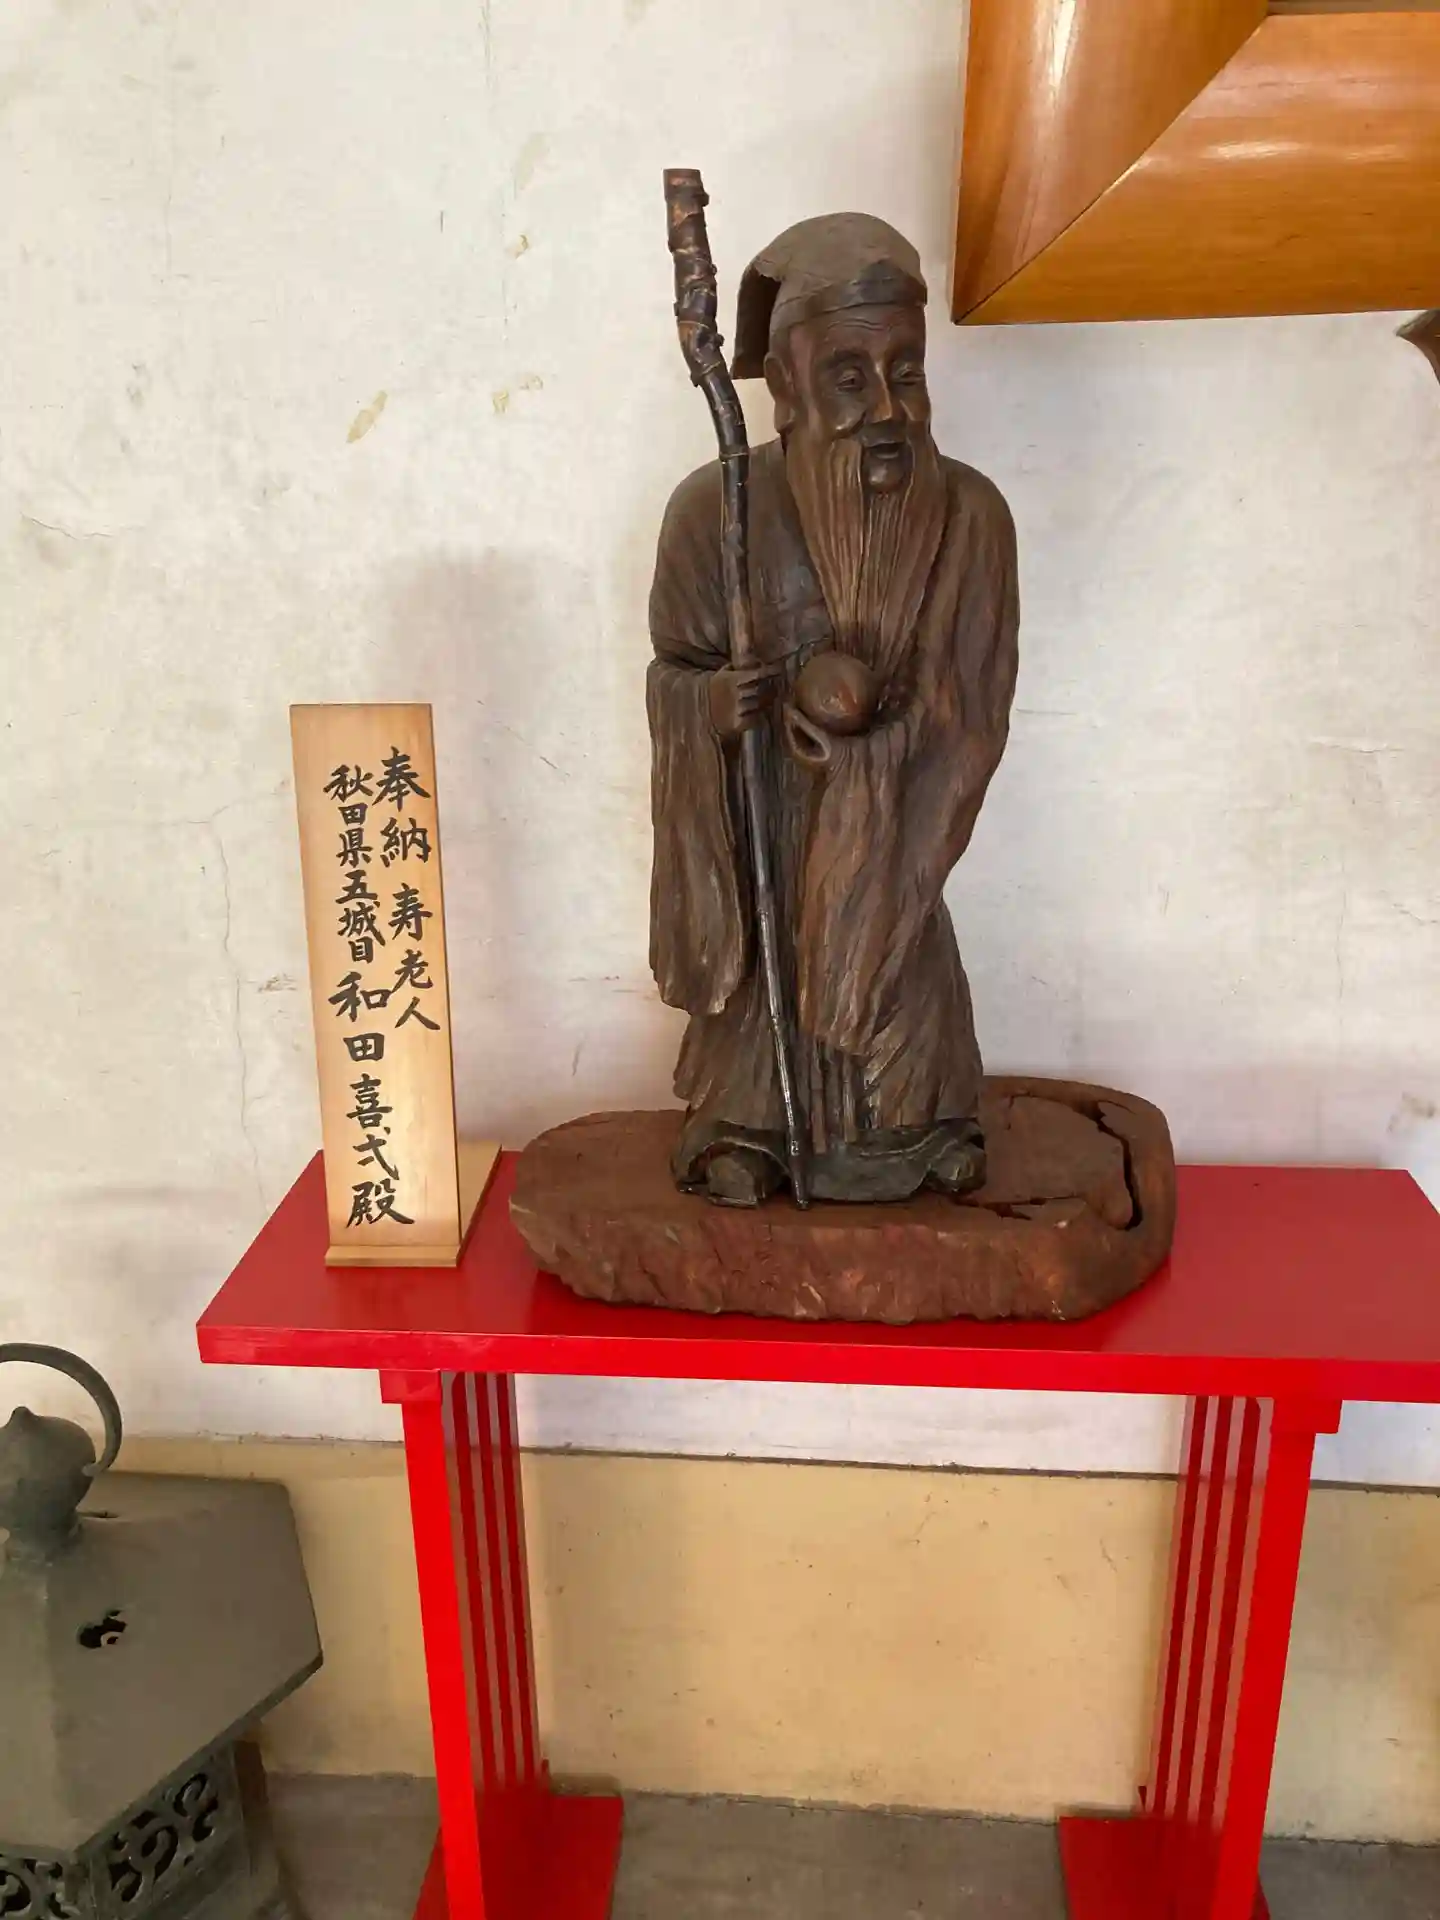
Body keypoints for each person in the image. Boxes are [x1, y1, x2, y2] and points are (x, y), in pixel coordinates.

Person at [648, 214, 1019, 1206]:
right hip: (765, 823)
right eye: (850, 379)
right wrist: (714, 705)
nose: (887, 409)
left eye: (908, 373)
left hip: (888, 837)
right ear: (786, 389)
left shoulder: (972, 517)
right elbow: (673, 669)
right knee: (767, 964)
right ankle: (750, 1125)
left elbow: (972, 709)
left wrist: (870, 758)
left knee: (897, 958)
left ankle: (913, 1121)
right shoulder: (711, 512)